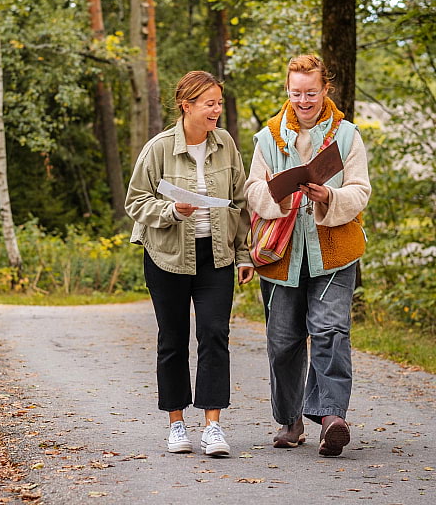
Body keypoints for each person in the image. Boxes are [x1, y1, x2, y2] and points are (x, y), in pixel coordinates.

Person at [245, 54, 371, 457]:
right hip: (282, 254)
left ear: (325, 90)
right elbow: (252, 189)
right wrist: (276, 197)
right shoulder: (267, 138)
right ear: (287, 90)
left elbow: (361, 190)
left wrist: (329, 196)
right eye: (296, 92)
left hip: (334, 250)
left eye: (311, 92)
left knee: (331, 331)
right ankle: (290, 419)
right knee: (282, 341)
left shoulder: (347, 135)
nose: (303, 100)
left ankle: (331, 416)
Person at [125, 70, 254, 457]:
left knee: (215, 335)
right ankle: (176, 423)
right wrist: (172, 211)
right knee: (172, 339)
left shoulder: (226, 144)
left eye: (218, 102)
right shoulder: (159, 148)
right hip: (166, 256)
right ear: (187, 105)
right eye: (209, 103)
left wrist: (244, 254)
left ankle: (213, 427)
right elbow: (135, 202)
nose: (217, 110)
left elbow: (240, 203)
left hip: (216, 256)